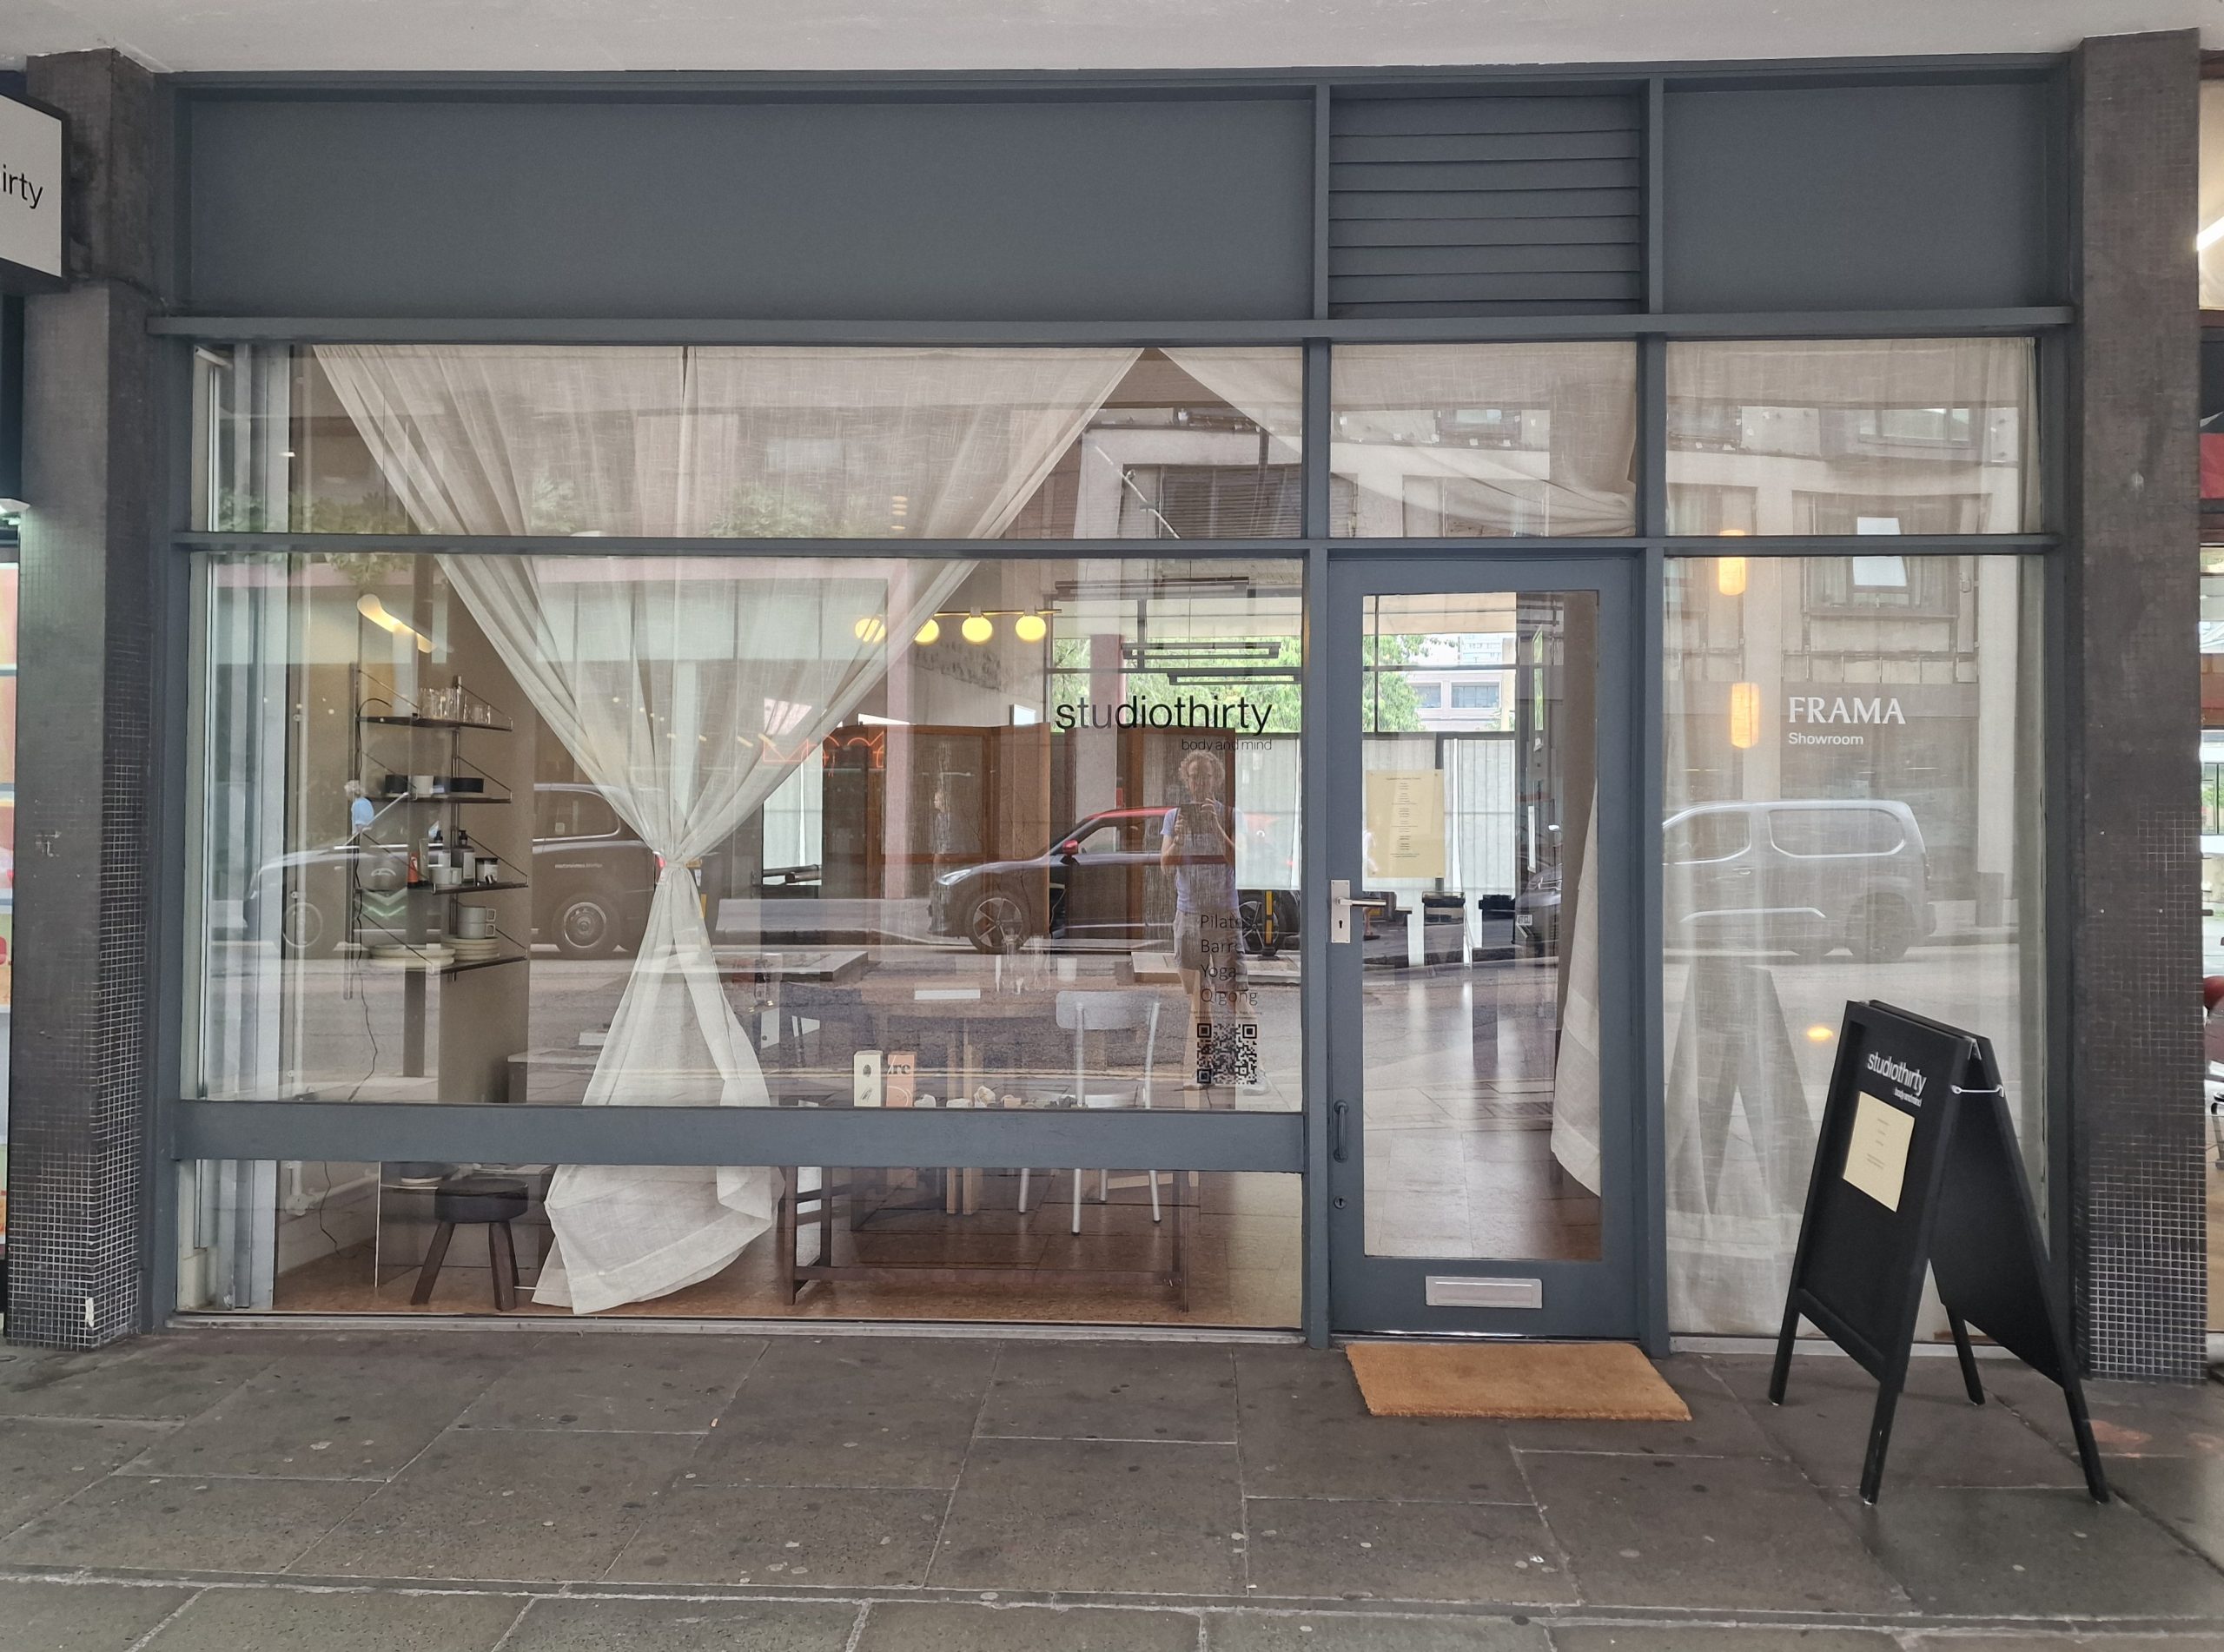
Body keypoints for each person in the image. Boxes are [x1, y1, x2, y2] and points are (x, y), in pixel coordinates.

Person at [1159, 749, 1255, 1088]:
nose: (1200, 782)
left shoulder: (1230, 816)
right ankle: (1205, 1069)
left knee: (1234, 993)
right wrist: (1180, 840)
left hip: (1223, 915)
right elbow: (1165, 865)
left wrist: (1215, 827)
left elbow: (1240, 860)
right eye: (1194, 776)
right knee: (1199, 998)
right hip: (1189, 915)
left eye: (1206, 776)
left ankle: (1247, 1068)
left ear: (1217, 780)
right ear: (1186, 780)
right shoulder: (1174, 817)